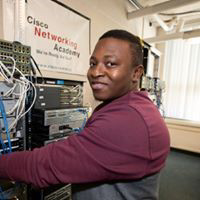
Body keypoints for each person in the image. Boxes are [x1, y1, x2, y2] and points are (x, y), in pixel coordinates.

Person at [0, 29, 170, 200]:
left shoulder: (130, 121)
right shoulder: (129, 106)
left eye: (110, 64)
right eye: (93, 63)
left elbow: (44, 165)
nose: (95, 72)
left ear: (136, 73)